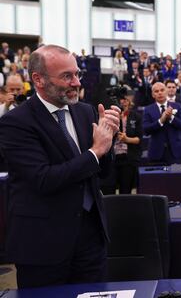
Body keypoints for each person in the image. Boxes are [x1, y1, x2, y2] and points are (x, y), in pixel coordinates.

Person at [0, 44, 120, 288]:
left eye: (77, 74)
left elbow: (103, 175)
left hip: (90, 240)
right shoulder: (15, 123)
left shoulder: (85, 112)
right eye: (67, 76)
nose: (76, 82)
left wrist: (109, 142)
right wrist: (96, 151)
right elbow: (44, 179)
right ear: (38, 79)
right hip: (43, 244)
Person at [143, 82, 181, 165]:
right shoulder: (148, 109)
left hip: (175, 152)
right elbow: (145, 130)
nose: (160, 93)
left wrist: (171, 118)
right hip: (156, 153)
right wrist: (160, 121)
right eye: (156, 91)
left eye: (162, 90)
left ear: (166, 92)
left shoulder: (177, 106)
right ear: (153, 95)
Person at [112, 96, 142, 194]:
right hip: (112, 158)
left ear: (129, 101)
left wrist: (126, 139)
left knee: (125, 190)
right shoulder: (111, 116)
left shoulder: (136, 116)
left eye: (125, 99)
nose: (123, 102)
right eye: (121, 99)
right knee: (110, 189)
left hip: (128, 158)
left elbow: (139, 139)